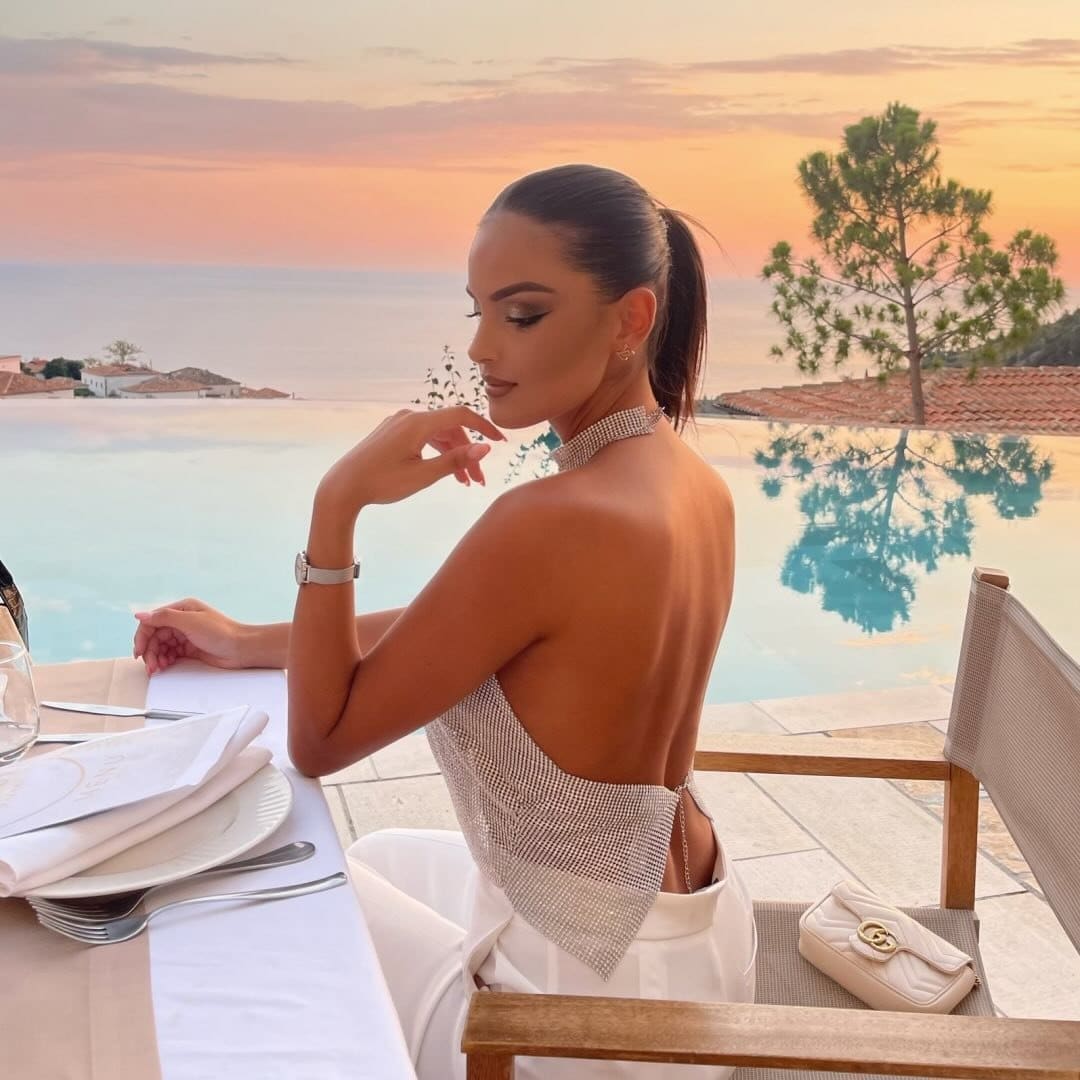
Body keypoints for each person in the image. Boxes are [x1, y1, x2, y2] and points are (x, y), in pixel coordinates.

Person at [132, 164, 757, 1079]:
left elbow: (321, 739)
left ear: (631, 320)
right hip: (694, 947)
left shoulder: (550, 520)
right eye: (479, 311)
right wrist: (252, 640)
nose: (482, 348)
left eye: (523, 314)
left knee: (268, 886)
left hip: (573, 1034)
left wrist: (337, 504)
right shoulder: (691, 486)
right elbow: (479, 628)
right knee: (378, 850)